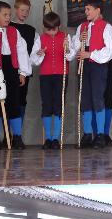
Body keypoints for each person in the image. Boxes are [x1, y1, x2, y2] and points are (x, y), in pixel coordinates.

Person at [0, 1, 32, 149]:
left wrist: (22, 72)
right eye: (5, 15)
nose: (8, 17)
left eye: (9, 15)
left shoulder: (14, 32)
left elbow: (22, 52)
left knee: (14, 102)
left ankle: (17, 137)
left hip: (11, 68)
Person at [74, 0, 112, 148]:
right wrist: (79, 40)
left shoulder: (106, 27)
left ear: (98, 10)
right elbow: (74, 47)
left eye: (88, 9)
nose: (86, 12)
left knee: (98, 98)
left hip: (98, 65)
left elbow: (110, 49)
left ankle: (100, 135)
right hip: (84, 65)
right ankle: (87, 134)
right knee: (85, 99)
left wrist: (90, 54)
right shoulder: (82, 27)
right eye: (85, 9)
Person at [30, 12, 77, 149]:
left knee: (58, 105)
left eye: (54, 29)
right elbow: (33, 60)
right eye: (48, 29)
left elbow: (71, 57)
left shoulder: (66, 37)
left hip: (61, 75)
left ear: (59, 26)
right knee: (46, 105)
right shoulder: (40, 39)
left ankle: (55, 138)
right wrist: (39, 53)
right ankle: (48, 139)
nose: (51, 32)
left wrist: (67, 49)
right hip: (45, 76)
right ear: (43, 27)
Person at [11, 0, 37, 128]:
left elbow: (34, 51)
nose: (25, 13)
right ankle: (8, 133)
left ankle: (17, 132)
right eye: (22, 10)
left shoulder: (31, 30)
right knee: (9, 100)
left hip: (24, 71)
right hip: (9, 69)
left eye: (27, 11)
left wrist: (39, 53)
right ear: (15, 9)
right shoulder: (8, 26)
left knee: (21, 100)